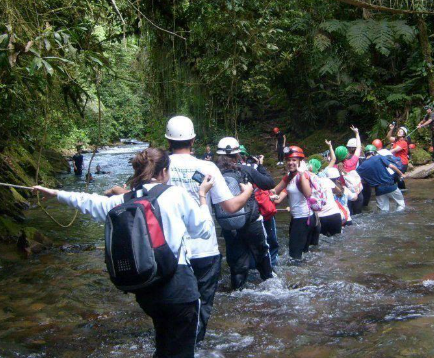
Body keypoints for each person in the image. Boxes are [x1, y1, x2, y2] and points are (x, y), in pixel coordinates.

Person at [33, 148, 215, 358]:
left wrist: (56, 193)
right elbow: (203, 230)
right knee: (180, 351)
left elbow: (89, 202)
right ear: (164, 171)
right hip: (178, 287)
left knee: (164, 344)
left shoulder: (124, 200)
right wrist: (202, 196)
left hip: (146, 289)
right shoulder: (176, 194)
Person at [163, 116, 253, 342]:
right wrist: (247, 193)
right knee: (201, 305)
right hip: (204, 249)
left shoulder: (160, 167)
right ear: (193, 140)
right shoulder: (207, 167)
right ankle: (195, 345)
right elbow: (230, 207)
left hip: (170, 250)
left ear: (168, 141)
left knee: (172, 307)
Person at [214, 137, 275, 289]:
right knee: (262, 254)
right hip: (251, 221)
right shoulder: (245, 170)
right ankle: (271, 285)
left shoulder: (214, 173)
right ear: (237, 154)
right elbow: (269, 183)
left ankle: (237, 290)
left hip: (229, 225)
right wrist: (260, 166)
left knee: (237, 263)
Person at [270, 146, 319, 260]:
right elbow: (275, 191)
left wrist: (301, 174)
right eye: (288, 160)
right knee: (301, 254)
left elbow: (308, 193)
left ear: (301, 161)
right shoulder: (289, 176)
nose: (290, 162)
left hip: (304, 219)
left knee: (294, 256)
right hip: (297, 218)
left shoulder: (303, 175)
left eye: (294, 160)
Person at [308, 159, 342, 236]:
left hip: (320, 217)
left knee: (321, 241)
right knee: (337, 240)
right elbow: (338, 191)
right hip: (335, 214)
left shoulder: (306, 183)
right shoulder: (326, 180)